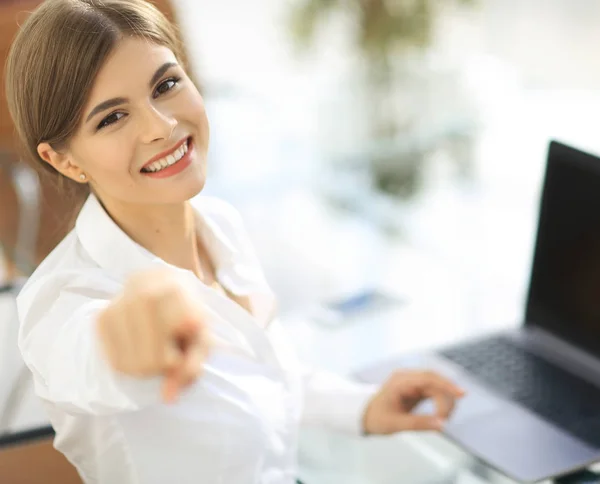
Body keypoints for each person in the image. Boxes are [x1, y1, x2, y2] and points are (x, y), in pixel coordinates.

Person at [5, 0, 465, 483]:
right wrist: (129, 335)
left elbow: (266, 373)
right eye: (111, 118)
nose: (161, 127)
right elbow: (92, 358)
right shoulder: (61, 304)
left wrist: (363, 407)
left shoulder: (218, 224)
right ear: (64, 161)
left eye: (165, 85)